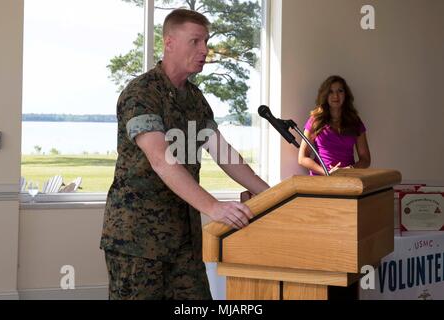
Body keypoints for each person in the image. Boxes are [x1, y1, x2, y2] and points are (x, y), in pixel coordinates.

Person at [100, 9, 270, 300]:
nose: (205, 50)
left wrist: (274, 197)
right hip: (138, 241)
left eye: (206, 41)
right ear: (169, 43)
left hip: (184, 240)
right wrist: (215, 208)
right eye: (196, 41)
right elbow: (161, 160)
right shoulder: (141, 93)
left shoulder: (196, 99)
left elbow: (225, 155)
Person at [298, 75, 371, 175]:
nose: (335, 96)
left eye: (340, 91)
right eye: (331, 92)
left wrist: (350, 169)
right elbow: (302, 158)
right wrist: (326, 172)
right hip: (320, 181)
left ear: (345, 95)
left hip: (348, 180)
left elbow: (366, 159)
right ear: (325, 95)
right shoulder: (315, 120)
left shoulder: (355, 121)